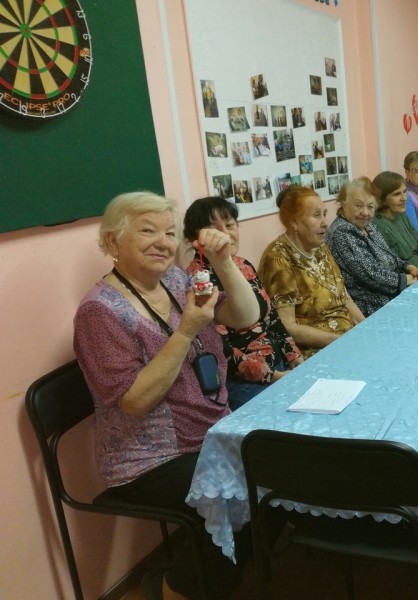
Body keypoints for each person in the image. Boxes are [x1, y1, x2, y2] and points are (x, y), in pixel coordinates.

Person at [73, 192, 259, 600]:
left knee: (272, 471)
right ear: (113, 241)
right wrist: (187, 330)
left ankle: (213, 579)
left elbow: (246, 316)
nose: (163, 242)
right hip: (148, 456)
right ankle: (172, 589)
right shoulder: (99, 312)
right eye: (147, 231)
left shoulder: (176, 280)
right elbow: (135, 401)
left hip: (211, 428)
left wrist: (224, 262)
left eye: (170, 233)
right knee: (236, 490)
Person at [183, 196, 304, 410]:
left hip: (280, 365)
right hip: (245, 380)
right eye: (214, 229)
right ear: (196, 238)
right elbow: (221, 348)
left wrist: (295, 358)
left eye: (230, 225)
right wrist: (274, 376)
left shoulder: (243, 265)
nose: (226, 234)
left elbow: (272, 318)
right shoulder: (197, 281)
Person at [258, 187, 364, 357]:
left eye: (324, 214)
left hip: (346, 338)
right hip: (315, 350)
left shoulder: (320, 247)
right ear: (294, 223)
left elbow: (344, 297)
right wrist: (342, 341)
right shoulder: (278, 258)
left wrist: (365, 330)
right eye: (316, 215)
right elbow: (287, 326)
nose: (325, 222)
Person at [326, 176, 418, 316]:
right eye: (358, 206)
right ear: (343, 204)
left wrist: (408, 266)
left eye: (370, 207)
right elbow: (372, 275)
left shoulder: (366, 226)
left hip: (391, 296)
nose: (365, 212)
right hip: (371, 306)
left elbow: (388, 255)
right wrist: (407, 279)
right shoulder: (341, 232)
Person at [372, 171, 418, 273]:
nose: (404, 198)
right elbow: (396, 263)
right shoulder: (377, 225)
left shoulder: (401, 215)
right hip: (408, 276)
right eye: (397, 194)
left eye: (404, 192)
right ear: (382, 198)